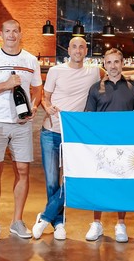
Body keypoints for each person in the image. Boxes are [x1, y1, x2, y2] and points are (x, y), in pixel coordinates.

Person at [0, 19, 43, 243]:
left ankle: (17, 221)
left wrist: (33, 107)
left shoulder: (30, 59)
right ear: (0, 34)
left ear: (21, 34)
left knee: (22, 170)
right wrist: (5, 84)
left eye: (15, 31)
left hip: (21, 124)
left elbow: (37, 89)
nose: (12, 35)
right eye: (7, 31)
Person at [31, 36, 103, 241]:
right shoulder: (55, 71)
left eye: (82, 47)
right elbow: (44, 96)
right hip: (51, 132)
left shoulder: (94, 71)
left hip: (75, 137)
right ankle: (59, 223)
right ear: (68, 50)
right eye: (74, 46)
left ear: (86, 50)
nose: (78, 50)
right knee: (52, 181)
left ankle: (45, 217)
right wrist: (47, 106)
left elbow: (115, 74)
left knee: (71, 179)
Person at [83, 48, 134, 243]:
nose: (113, 66)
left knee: (122, 184)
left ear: (122, 64)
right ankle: (96, 223)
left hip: (125, 145)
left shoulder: (133, 88)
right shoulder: (95, 88)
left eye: (116, 62)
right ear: (105, 64)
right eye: (109, 62)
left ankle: (121, 224)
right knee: (99, 183)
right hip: (101, 146)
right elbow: (89, 117)